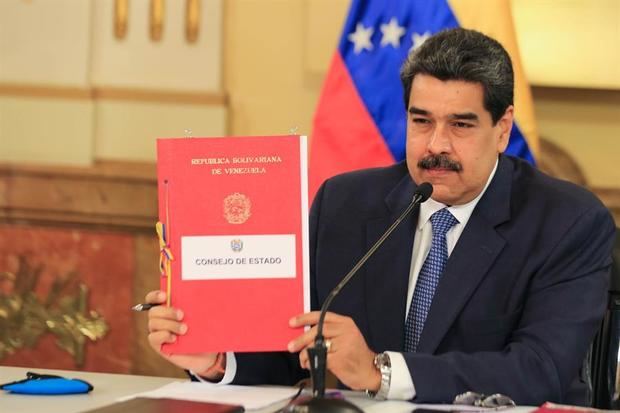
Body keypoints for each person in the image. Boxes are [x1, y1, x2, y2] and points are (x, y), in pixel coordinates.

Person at [145, 28, 616, 405]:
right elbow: (292, 354)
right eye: (421, 120)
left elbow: (541, 372)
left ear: (502, 128)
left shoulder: (567, 222)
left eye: (461, 125)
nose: (436, 146)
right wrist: (217, 357)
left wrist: (378, 370)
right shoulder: (346, 203)